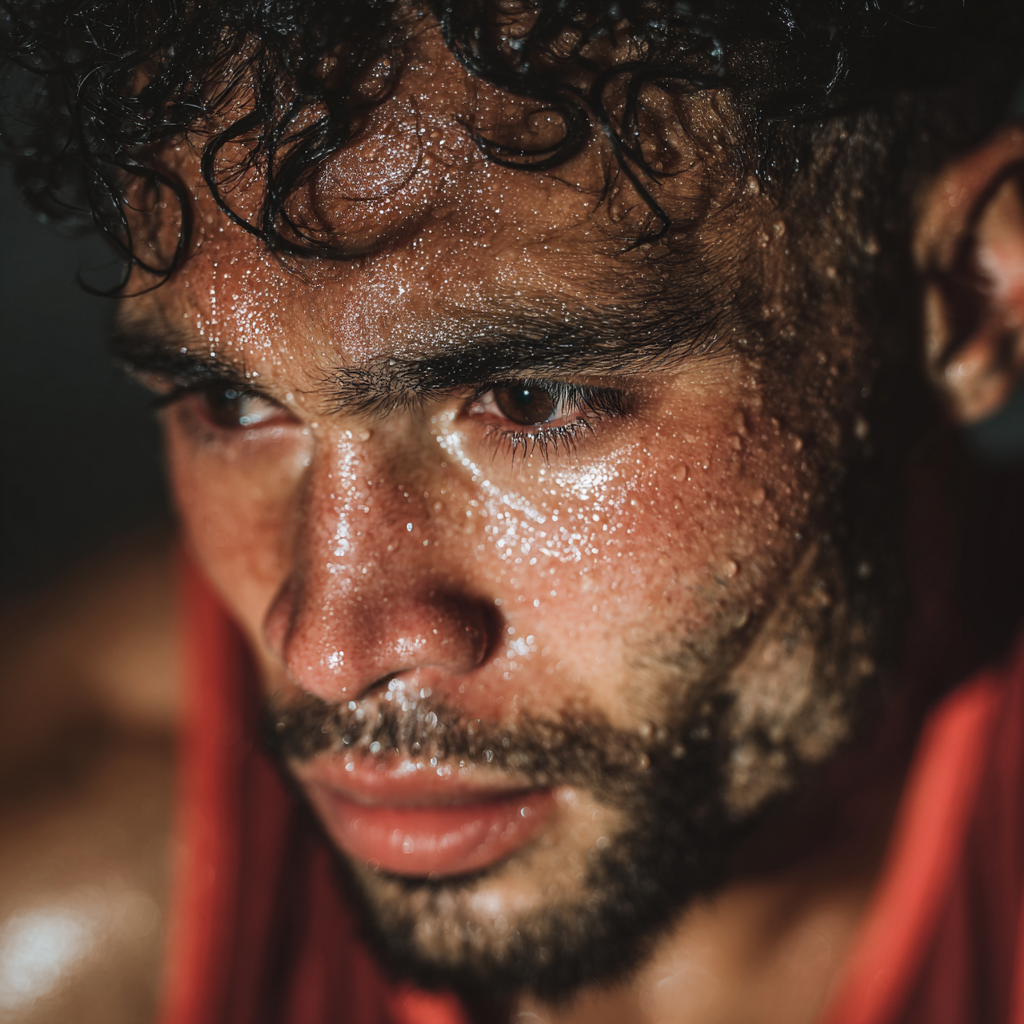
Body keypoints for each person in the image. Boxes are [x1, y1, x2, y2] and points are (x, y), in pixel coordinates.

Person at [3, 0, 1024, 1020]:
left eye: (530, 401)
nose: (326, 649)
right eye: (232, 405)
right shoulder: (71, 886)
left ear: (972, 289)